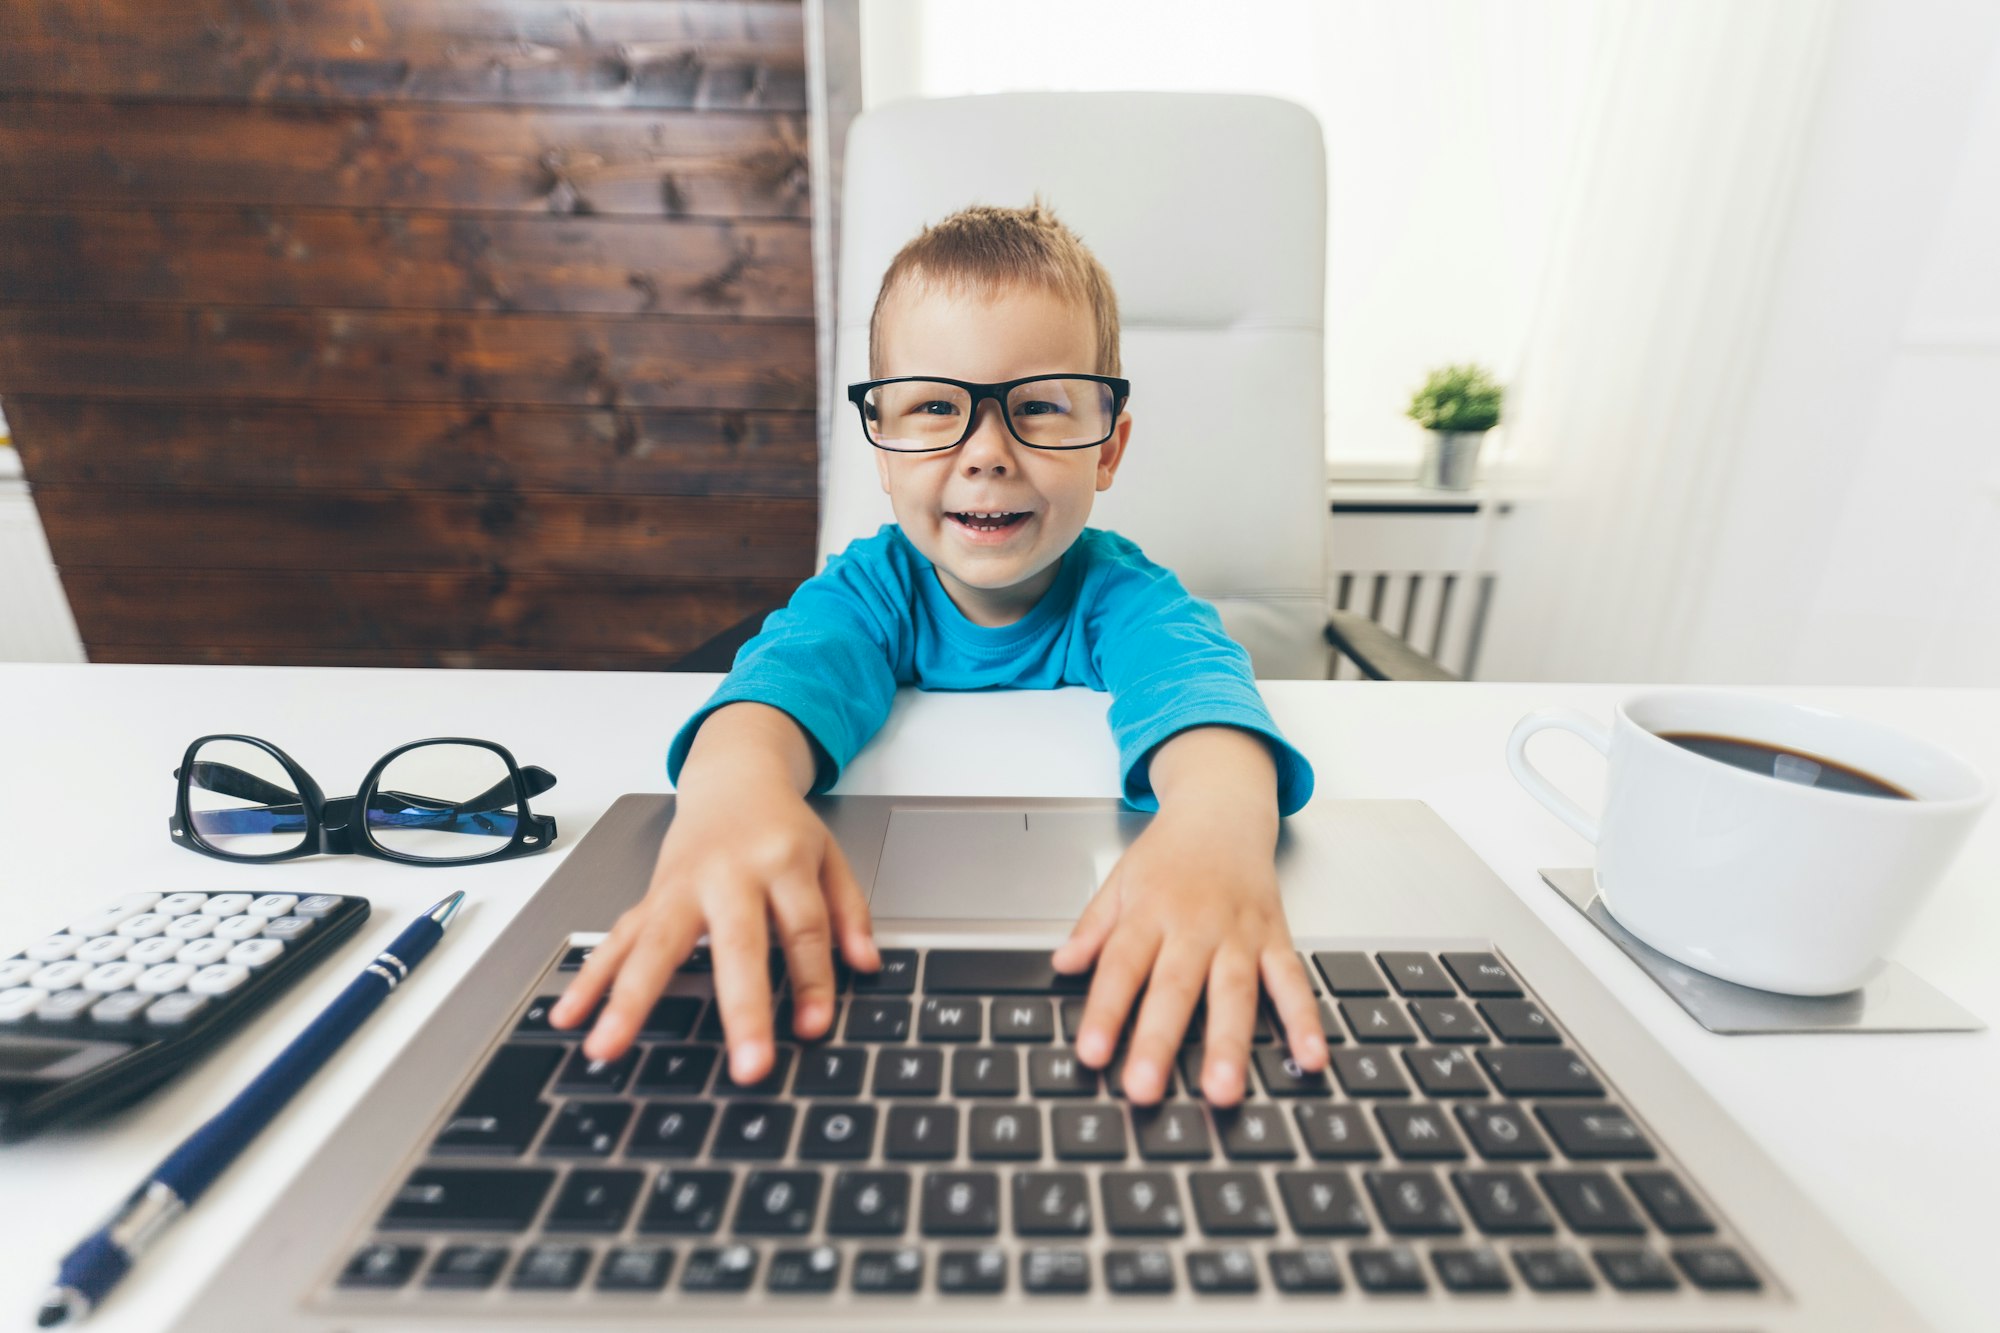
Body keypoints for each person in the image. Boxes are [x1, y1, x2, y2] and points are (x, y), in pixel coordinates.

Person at [554, 201, 1323, 1107]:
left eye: (1037, 406)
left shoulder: (1127, 596)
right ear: (880, 446)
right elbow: (776, 689)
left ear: (1108, 447)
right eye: (931, 408)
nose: (986, 453)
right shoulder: (869, 591)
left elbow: (1204, 699)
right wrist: (734, 799)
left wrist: (1215, 830)